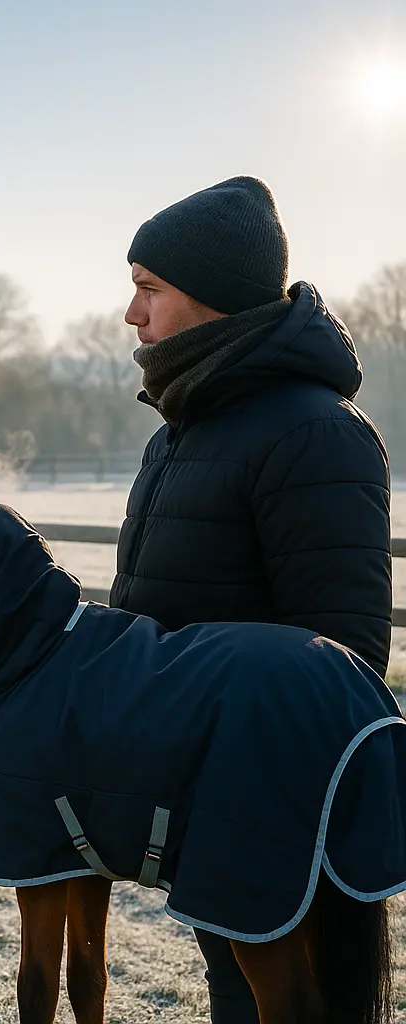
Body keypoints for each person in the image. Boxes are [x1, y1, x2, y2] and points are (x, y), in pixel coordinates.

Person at [110, 175, 393, 1024]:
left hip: (268, 798)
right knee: (235, 989)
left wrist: (230, 769)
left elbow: (340, 657)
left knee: (289, 1001)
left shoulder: (314, 434)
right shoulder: (183, 431)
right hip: (197, 786)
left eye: (149, 288)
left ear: (214, 299)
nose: (132, 314)